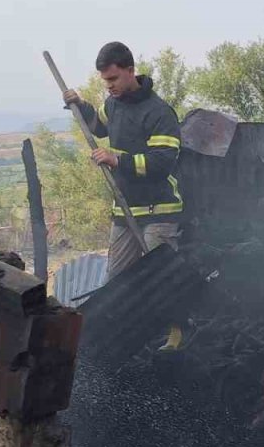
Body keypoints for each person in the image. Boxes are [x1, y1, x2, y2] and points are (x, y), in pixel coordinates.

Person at [63, 41, 186, 349]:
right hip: (125, 209)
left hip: (159, 212)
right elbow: (98, 126)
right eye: (105, 81)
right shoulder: (113, 105)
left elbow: (161, 163)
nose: (109, 86)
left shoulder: (159, 113)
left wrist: (118, 159)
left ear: (131, 71)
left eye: (113, 79)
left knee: (161, 278)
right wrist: (79, 105)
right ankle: (115, 342)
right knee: (115, 282)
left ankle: (177, 337)